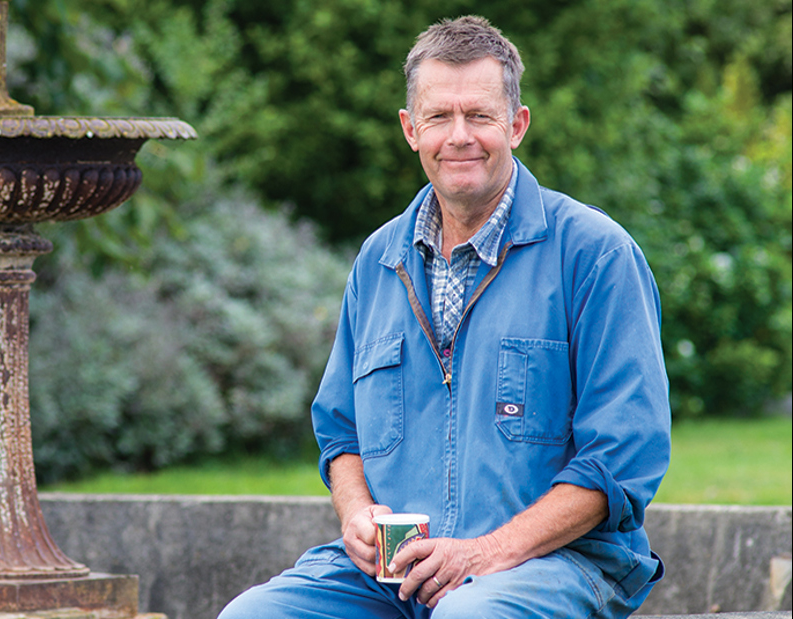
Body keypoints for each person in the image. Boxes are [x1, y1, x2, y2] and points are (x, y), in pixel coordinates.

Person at [218, 15, 670, 619]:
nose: (459, 136)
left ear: (517, 124)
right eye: (439, 117)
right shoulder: (379, 260)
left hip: (555, 563)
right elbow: (340, 431)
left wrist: (485, 553)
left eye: (480, 116)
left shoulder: (594, 254)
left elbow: (622, 457)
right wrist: (356, 513)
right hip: (394, 572)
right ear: (411, 129)